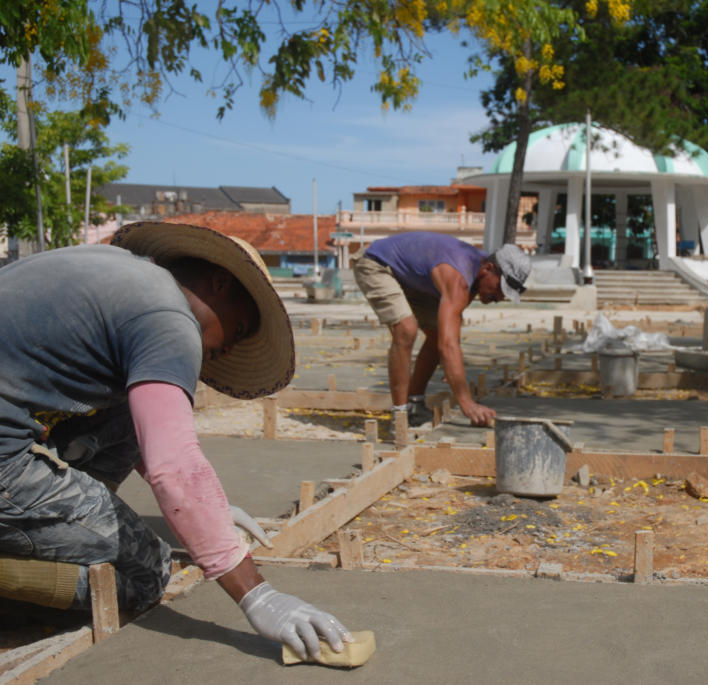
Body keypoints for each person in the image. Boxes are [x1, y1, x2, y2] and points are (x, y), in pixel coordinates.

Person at [0, 222, 352, 662]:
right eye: (239, 328)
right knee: (148, 570)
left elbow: (142, 437)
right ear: (219, 282)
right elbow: (174, 465)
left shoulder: (115, 272)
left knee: (125, 415)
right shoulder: (168, 317)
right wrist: (256, 594)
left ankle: (47, 540)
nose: (227, 349)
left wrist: (211, 513)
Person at [352, 232, 531, 427]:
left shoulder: (477, 275)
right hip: (376, 264)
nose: (499, 297)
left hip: (411, 278)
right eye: (500, 288)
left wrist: (451, 364)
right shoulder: (458, 276)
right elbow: (448, 345)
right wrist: (467, 403)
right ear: (488, 268)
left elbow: (450, 331)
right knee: (406, 329)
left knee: (438, 332)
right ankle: (400, 415)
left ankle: (414, 404)